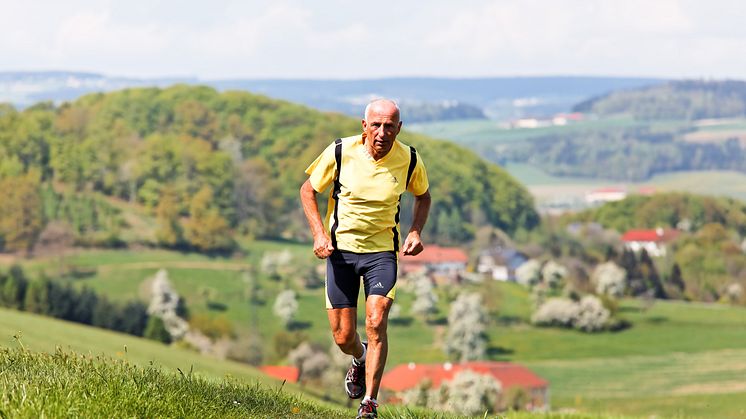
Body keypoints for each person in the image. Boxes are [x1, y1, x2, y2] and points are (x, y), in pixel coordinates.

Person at [300, 99, 431, 419]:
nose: (382, 132)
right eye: (376, 125)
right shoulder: (341, 152)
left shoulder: (410, 159)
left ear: (399, 128)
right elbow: (308, 190)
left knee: (376, 320)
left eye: (390, 126)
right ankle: (358, 358)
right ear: (364, 126)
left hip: (382, 253)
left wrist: (415, 231)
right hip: (341, 252)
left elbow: (423, 196)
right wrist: (319, 234)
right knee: (343, 337)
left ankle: (369, 403)